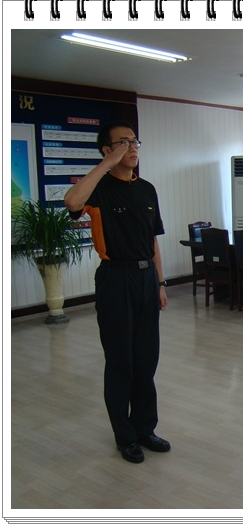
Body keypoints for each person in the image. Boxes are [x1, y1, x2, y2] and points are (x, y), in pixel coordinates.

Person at [64, 120, 170, 464]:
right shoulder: (99, 188)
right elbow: (71, 201)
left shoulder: (147, 189)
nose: (132, 147)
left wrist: (160, 283)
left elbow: (152, 241)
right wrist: (105, 166)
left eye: (135, 141)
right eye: (123, 143)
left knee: (146, 360)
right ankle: (125, 436)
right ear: (107, 150)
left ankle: (145, 428)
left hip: (145, 278)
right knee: (120, 361)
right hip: (115, 279)